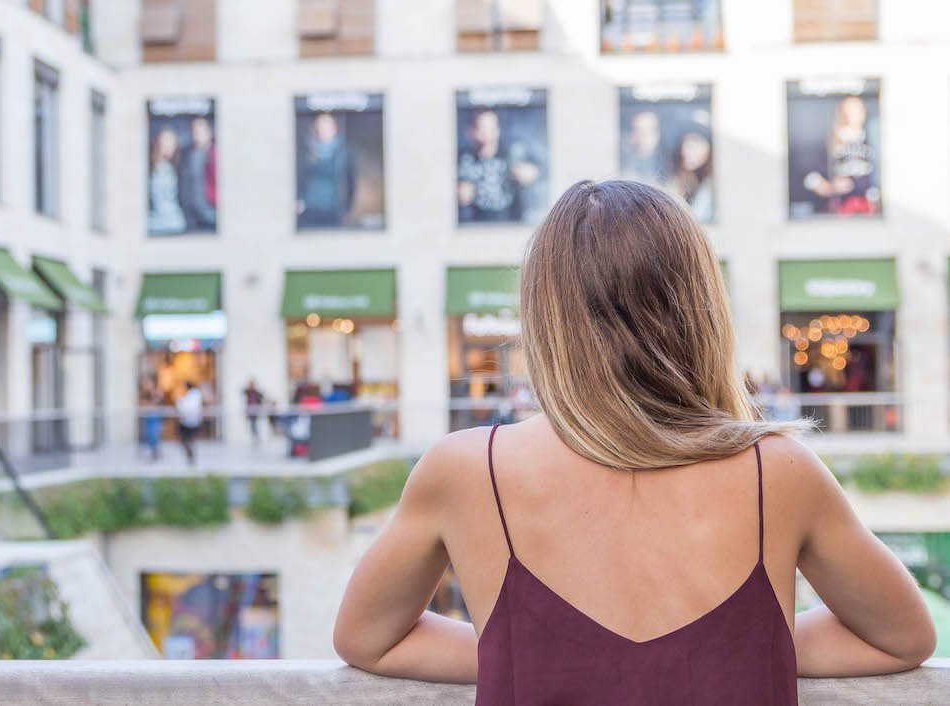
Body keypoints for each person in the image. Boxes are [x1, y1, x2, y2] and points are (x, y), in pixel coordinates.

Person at [333, 180, 935, 702]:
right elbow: (902, 637)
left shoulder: (467, 471)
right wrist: (748, 646)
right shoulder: (777, 472)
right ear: (700, 311)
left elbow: (368, 640)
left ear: (547, 320)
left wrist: (515, 649)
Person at [457, 108, 540, 223]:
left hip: (511, 222)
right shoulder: (462, 158)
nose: (487, 135)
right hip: (475, 225)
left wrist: (531, 172)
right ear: (470, 131)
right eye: (482, 129)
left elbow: (538, 170)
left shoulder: (514, 151)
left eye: (492, 129)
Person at [801, 95, 879, 216]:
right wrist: (829, 187)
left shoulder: (874, 140)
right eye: (845, 112)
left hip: (868, 210)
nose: (849, 117)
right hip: (839, 210)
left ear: (863, 113)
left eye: (854, 112)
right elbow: (808, 177)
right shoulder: (826, 143)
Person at [297, 112, 357, 228]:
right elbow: (300, 177)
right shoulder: (306, 152)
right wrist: (299, 198)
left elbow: (351, 183)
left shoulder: (344, 153)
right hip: (309, 209)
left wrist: (347, 209)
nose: (323, 130)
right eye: (320, 126)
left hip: (333, 210)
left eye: (327, 126)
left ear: (334, 129)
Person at [147, 126, 187, 235]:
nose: (168, 146)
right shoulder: (150, 168)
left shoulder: (178, 168)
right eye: (165, 141)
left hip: (175, 224)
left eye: (172, 142)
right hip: (154, 225)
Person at [180, 117, 217, 230]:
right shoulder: (187, 155)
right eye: (194, 130)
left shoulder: (216, 153)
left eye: (200, 130)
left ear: (209, 132)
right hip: (191, 218)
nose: (196, 134)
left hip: (211, 213)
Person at [175, 381, 204, 466]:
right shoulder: (194, 394)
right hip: (190, 420)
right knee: (188, 440)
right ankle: (190, 454)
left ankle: (190, 455)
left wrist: (179, 402)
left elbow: (186, 407)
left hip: (189, 421)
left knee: (187, 439)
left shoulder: (194, 395)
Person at [139, 374, 164, 461]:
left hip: (155, 416)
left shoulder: (157, 392)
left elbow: (157, 402)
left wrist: (152, 398)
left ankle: (156, 453)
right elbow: (143, 404)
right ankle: (152, 452)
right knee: (148, 434)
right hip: (148, 416)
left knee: (154, 434)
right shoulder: (145, 393)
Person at [242, 379, 265, 446]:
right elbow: (243, 391)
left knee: (255, 424)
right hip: (250, 410)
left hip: (256, 410)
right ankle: (254, 436)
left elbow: (261, 397)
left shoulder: (256, 392)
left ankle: (256, 436)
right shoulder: (248, 392)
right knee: (252, 424)